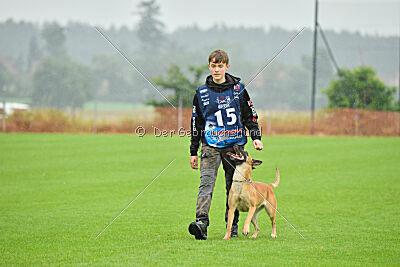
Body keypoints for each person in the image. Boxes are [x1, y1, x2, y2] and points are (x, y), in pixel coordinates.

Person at [188, 49, 263, 240]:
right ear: (209, 67)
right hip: (210, 146)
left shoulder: (238, 89)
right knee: (206, 184)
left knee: (233, 187)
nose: (216, 69)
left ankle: (233, 225)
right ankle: (201, 223)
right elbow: (196, 123)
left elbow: (249, 115)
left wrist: (255, 136)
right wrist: (193, 150)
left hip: (234, 147)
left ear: (226, 67)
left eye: (220, 66)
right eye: (213, 66)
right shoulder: (201, 93)